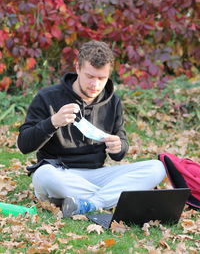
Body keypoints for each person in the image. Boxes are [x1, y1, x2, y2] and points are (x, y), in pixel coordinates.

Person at [17, 40, 166, 218]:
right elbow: (24, 145)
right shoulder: (47, 97)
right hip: (59, 173)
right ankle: (116, 196)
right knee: (44, 175)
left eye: (101, 78)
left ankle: (91, 203)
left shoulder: (113, 101)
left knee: (157, 168)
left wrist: (119, 146)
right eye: (90, 76)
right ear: (77, 68)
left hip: (96, 174)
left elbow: (119, 151)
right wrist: (53, 122)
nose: (95, 84)